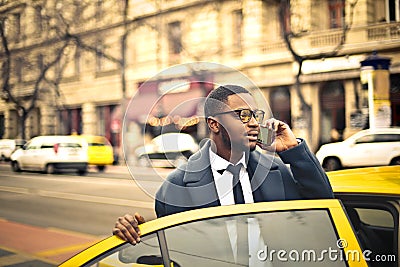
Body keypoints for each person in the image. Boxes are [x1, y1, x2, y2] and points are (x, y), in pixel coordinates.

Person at [113, 84, 334, 244]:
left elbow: (324, 208)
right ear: (214, 124)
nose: (255, 123)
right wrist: (136, 230)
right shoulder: (176, 187)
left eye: (255, 115)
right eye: (243, 115)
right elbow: (172, 249)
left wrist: (293, 151)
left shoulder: (277, 172)